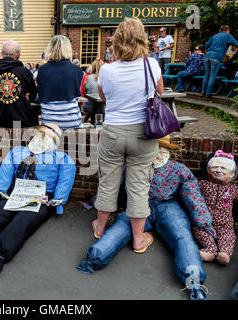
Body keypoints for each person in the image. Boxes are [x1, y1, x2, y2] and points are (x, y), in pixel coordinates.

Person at [77, 135, 216, 300]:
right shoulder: (179, 169)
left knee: (122, 227)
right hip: (169, 207)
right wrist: (205, 223)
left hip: (141, 204)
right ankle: (194, 282)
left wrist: (94, 201)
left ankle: (93, 259)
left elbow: (112, 187)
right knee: (182, 236)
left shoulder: (132, 166)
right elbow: (193, 198)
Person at [0, 123, 76, 276]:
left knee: (23, 221)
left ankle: (3, 252)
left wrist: (57, 200)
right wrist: (3, 192)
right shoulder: (18, 152)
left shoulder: (62, 159)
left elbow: (65, 182)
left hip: (42, 196)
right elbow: (5, 173)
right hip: (17, 191)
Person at [93, 18, 161, 253]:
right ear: (142, 39)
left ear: (117, 40)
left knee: (108, 182)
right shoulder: (151, 65)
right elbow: (158, 93)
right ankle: (139, 240)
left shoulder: (107, 70)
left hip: (113, 131)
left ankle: (100, 227)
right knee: (139, 187)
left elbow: (103, 98)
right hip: (144, 131)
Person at [193, 150, 238, 266]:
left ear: (231, 173)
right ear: (209, 169)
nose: (218, 171)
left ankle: (224, 253)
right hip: (204, 221)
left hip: (225, 224)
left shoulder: (234, 189)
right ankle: (210, 250)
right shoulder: (202, 184)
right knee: (200, 231)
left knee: (227, 236)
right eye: (215, 167)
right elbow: (190, 193)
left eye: (223, 168)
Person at [36, 35, 84, 129]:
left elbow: (41, 96)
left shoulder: (42, 70)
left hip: (49, 124)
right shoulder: (77, 70)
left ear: (50, 49)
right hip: (72, 122)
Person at [0, 40, 38, 128]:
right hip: (20, 121)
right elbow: (33, 94)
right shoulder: (24, 72)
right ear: (18, 55)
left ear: (2, 53)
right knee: (17, 139)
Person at [201, 25, 238, 97]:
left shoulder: (215, 35)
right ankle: (208, 93)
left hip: (207, 56)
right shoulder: (228, 36)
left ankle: (203, 91)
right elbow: (236, 44)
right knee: (212, 75)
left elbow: (206, 45)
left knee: (206, 75)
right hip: (216, 57)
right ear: (227, 30)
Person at [81, 59, 104, 124]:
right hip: (103, 107)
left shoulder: (87, 78)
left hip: (88, 105)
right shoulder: (105, 78)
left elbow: (84, 93)